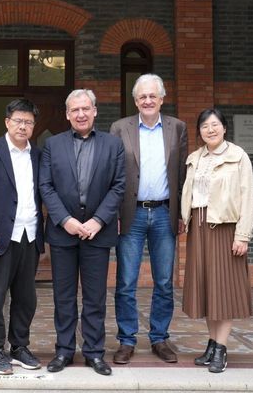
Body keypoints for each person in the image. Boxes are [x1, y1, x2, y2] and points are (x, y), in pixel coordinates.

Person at [39, 89, 125, 376]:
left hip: (97, 233)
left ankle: (94, 352)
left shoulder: (113, 145)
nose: (80, 114)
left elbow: (118, 186)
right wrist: (65, 220)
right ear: (67, 114)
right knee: (63, 297)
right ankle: (64, 350)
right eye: (75, 110)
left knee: (95, 297)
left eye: (86, 108)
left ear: (95, 111)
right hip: (63, 232)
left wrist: (98, 220)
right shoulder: (52, 145)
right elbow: (46, 186)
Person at [109, 73, 187, 364]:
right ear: (135, 100)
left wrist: (181, 213)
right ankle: (126, 340)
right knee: (126, 281)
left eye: (153, 95)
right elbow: (113, 174)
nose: (148, 100)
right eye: (142, 96)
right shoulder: (120, 128)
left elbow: (182, 175)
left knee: (164, 281)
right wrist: (115, 213)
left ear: (162, 99)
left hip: (165, 212)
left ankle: (159, 338)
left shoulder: (177, 127)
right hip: (132, 213)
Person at [181, 108, 253, 373]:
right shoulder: (195, 158)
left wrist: (242, 235)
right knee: (207, 290)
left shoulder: (238, 156)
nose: (210, 130)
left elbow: (248, 197)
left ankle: (221, 349)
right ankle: (212, 344)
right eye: (204, 126)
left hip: (225, 229)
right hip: (199, 230)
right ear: (199, 131)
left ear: (224, 128)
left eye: (215, 125)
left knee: (223, 291)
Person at [0, 99, 44, 375]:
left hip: (30, 235)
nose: (23, 126)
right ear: (7, 122)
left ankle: (19, 346)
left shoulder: (37, 155)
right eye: (18, 121)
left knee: (26, 298)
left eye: (28, 122)